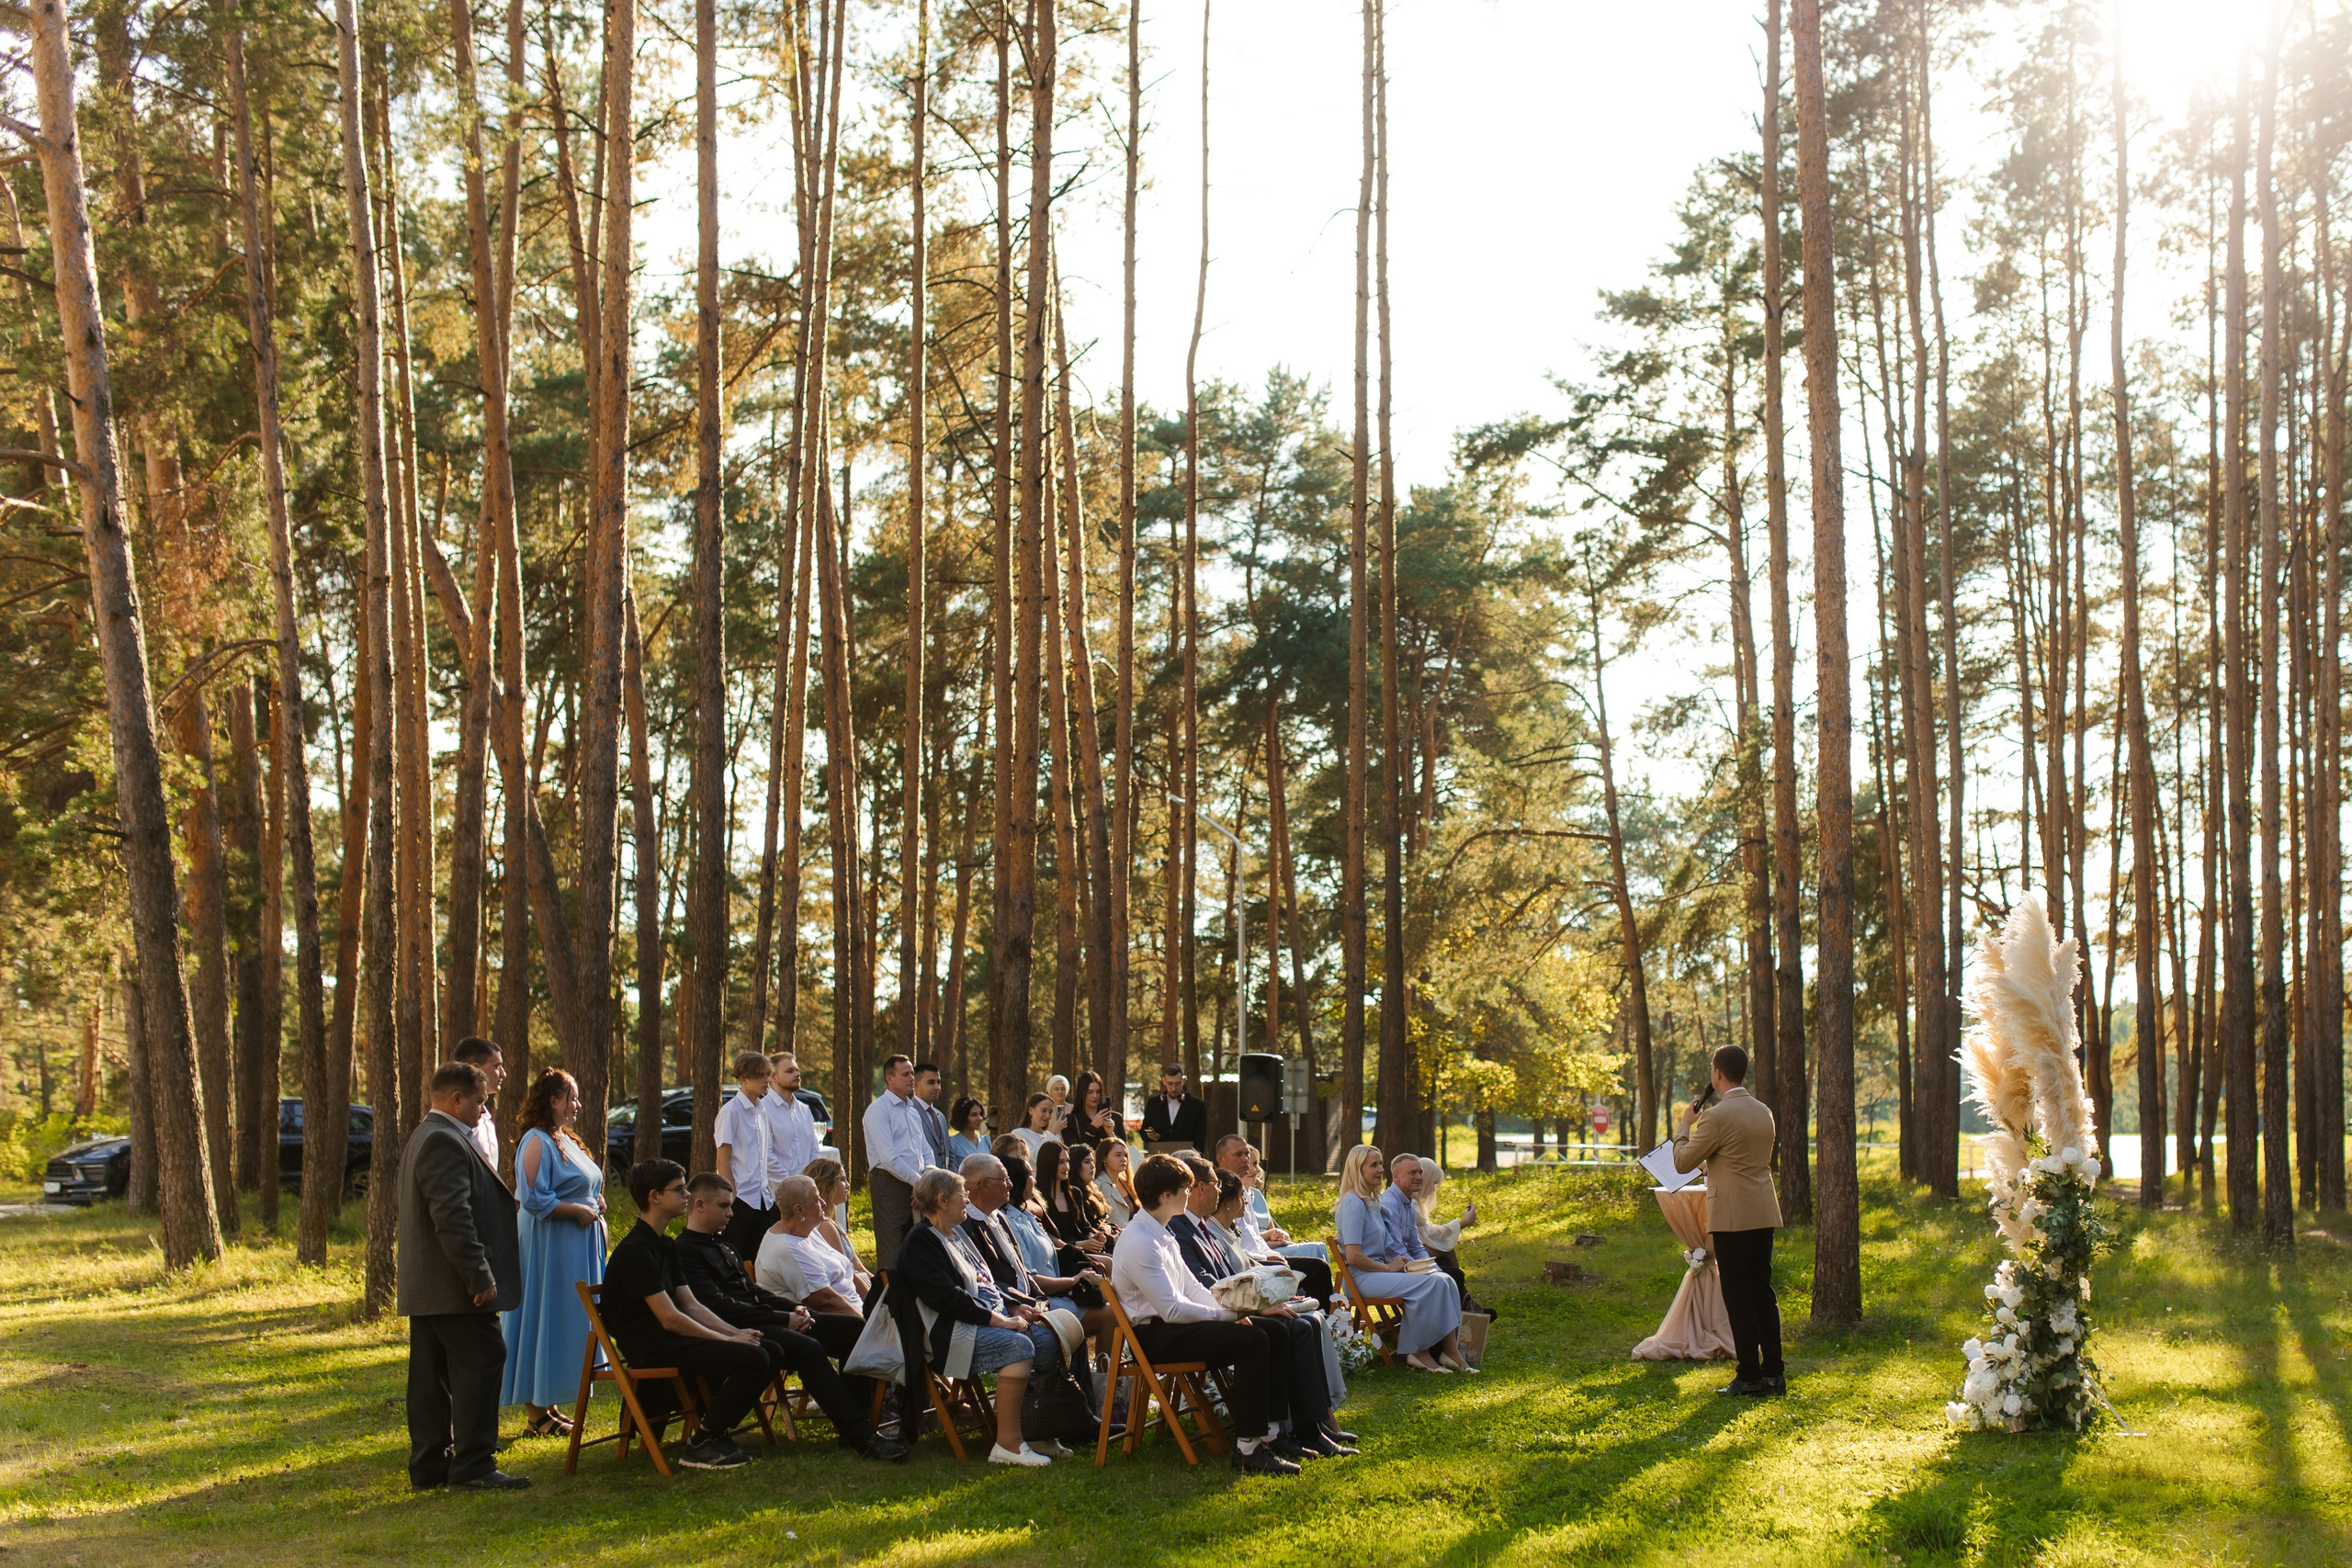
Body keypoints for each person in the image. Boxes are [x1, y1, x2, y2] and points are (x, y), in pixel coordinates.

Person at [673, 1172, 910, 1460]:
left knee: (853, 1329)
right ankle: (860, 1435)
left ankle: (857, 1420)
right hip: (736, 1329)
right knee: (809, 1348)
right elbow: (719, 1307)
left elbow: (754, 1293)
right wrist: (783, 1318)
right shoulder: (684, 1252)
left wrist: (794, 1309)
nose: (731, 1213)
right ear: (699, 1205)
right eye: (724, 1206)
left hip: (763, 1319)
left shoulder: (723, 1246)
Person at [1110, 1154, 1297, 1475]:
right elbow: (1172, 1309)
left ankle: (1272, 1433)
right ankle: (1248, 1449)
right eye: (1185, 1188)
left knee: (1275, 1330)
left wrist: (1235, 1310)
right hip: (1157, 1337)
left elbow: (1194, 1289)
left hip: (1176, 1327)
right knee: (1253, 1340)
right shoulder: (1141, 1241)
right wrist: (1229, 1315)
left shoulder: (1161, 1231)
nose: (1190, 1192)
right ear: (1166, 1195)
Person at [599, 1160, 779, 1471]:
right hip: (652, 1345)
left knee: (770, 1349)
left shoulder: (665, 1245)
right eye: (680, 1189)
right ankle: (703, 1442)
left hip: (671, 1337)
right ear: (654, 1196)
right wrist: (727, 1339)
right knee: (753, 1357)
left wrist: (734, 1333)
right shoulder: (636, 1250)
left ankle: (712, 1431)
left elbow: (691, 1305)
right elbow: (669, 1318)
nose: (687, 1195)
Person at [397, 1061, 524, 1491]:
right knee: (483, 1360)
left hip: (430, 1286)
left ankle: (430, 1465)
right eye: (480, 1103)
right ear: (456, 1099)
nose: (483, 1111)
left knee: (431, 1376)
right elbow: (452, 1217)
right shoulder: (443, 1140)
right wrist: (478, 1274)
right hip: (453, 1286)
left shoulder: (426, 1134)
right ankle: (473, 1465)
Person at [1166, 1160, 1350, 1457]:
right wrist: (1252, 1309)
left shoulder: (1197, 1224)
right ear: (1200, 1189)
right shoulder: (1179, 1228)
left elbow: (1223, 1277)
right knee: (1290, 1328)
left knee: (1303, 1323)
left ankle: (1308, 1426)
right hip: (1203, 1320)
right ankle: (1285, 1432)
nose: (1219, 1190)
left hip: (1225, 1308)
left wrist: (1263, 1301)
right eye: (1215, 1184)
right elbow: (1204, 1285)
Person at [894, 1167, 1064, 1466]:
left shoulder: (955, 1232)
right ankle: (1008, 1445)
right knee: (1019, 1346)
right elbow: (948, 1299)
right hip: (949, 1333)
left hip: (982, 1320)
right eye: (963, 1194)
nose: (968, 1199)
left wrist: (1012, 1308)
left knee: (1048, 1339)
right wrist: (1000, 1321)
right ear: (942, 1201)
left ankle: (1035, 1429)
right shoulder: (921, 1241)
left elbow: (986, 1281)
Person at [1673, 1043, 1785, 1396]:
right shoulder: (1764, 1111)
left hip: (1732, 1217)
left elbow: (1682, 1162)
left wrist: (1684, 1125)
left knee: (1738, 1295)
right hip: (1763, 1210)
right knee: (1762, 1290)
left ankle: (1749, 1374)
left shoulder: (1716, 1117)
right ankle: (1774, 1373)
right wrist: (1715, 1166)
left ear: (1718, 1073)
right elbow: (1743, 1158)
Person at [501, 1068, 606, 1438]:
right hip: (548, 1248)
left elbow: (584, 1184)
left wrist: (596, 1201)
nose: (577, 1105)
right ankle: (536, 1414)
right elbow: (533, 1197)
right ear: (553, 1101)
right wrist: (575, 1210)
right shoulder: (536, 1141)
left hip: (572, 1248)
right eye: (572, 1098)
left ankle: (549, 1404)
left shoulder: (565, 1138)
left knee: (564, 1318)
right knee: (544, 1314)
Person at [956, 1153, 1115, 1348]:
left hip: (1035, 1301)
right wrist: (1068, 1284)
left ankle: (1096, 1367)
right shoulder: (968, 1226)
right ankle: (1103, 1367)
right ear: (985, 1185)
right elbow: (988, 1281)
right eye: (1004, 1180)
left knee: (1095, 1310)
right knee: (1103, 1316)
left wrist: (1040, 1302)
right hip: (1012, 1309)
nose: (1010, 1184)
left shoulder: (1001, 1219)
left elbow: (1023, 1273)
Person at [1337, 1145, 1468, 1373]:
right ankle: (1418, 1352)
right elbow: (1353, 1256)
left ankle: (1450, 1351)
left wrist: (1419, 1265)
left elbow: (1400, 1244)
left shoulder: (1372, 1201)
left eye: (1380, 1164)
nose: (1381, 1170)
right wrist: (1388, 1268)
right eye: (1374, 1165)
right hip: (1361, 1278)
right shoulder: (1353, 1202)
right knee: (1432, 1283)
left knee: (1445, 1279)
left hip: (1377, 1273)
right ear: (1358, 1169)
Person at [1214, 1134, 1334, 1303]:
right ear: (1221, 1159)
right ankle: (1323, 1315)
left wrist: (1270, 1254)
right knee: (1317, 1269)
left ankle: (1324, 1315)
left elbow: (1255, 1238)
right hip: (1249, 1265)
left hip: (1262, 1257)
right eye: (1238, 1154)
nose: (1245, 1159)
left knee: (1317, 1266)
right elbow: (1229, 1244)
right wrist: (1264, 1259)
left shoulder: (1245, 1191)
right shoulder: (1221, 1191)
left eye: (1247, 1154)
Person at [862, 1055, 936, 1269]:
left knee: (916, 1245)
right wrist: (919, 1182)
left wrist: (926, 1180)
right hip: (890, 1185)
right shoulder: (878, 1110)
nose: (912, 1078)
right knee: (892, 1249)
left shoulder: (912, 1111)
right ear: (889, 1078)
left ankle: (913, 1290)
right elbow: (888, 1157)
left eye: (912, 1073)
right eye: (905, 1074)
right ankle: (890, 1291)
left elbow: (926, 1150)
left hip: (917, 1185)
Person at [757, 1174, 865, 1317]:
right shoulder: (787, 1249)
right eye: (817, 1200)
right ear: (799, 1210)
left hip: (856, 1309)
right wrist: (866, 1324)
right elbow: (825, 1302)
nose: (824, 1203)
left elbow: (846, 1271)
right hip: (833, 1320)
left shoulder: (807, 1229)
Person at [1408, 1156, 1492, 1320]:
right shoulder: (1411, 1205)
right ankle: (1464, 1306)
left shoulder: (1414, 1205)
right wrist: (1463, 1223)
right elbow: (1430, 1235)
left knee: (1447, 1260)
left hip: (1414, 1255)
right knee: (1448, 1257)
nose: (1432, 1190)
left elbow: (1430, 1233)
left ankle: (1464, 1305)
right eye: (1432, 1184)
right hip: (1408, 1259)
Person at [714, 1053, 778, 1260]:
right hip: (740, 1198)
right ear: (743, 1079)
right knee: (736, 1258)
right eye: (760, 1075)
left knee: (758, 1259)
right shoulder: (730, 1112)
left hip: (763, 1199)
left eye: (768, 1075)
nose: (766, 1080)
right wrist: (730, 1197)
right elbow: (723, 1158)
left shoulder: (762, 1111)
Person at [799, 1157, 874, 1299]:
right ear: (827, 1184)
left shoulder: (831, 1221)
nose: (848, 1185)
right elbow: (847, 1274)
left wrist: (884, 1285)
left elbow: (859, 1266)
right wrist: (874, 1300)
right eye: (842, 1180)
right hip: (850, 1294)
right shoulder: (825, 1226)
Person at [1035, 1137, 1111, 1263]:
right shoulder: (1038, 1197)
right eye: (1061, 1162)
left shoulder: (1074, 1193)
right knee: (1108, 1263)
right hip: (1060, 1255)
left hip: (1082, 1251)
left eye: (1067, 1162)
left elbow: (1085, 1228)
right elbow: (1047, 1237)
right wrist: (1080, 1244)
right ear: (1049, 1164)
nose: (1066, 1167)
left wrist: (1094, 1238)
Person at [760, 1050, 822, 1179]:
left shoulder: (804, 1110)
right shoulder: (762, 1110)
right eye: (790, 1071)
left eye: (797, 1070)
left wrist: (808, 1180)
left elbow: (814, 1150)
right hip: (777, 1188)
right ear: (773, 1077)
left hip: (806, 1186)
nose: (797, 1074)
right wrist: (791, 1183)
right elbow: (766, 1156)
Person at [452, 1036, 506, 1170]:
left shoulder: (487, 1120)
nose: (503, 1074)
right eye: (497, 1066)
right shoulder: (455, 1121)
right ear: (475, 1069)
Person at [1138, 1064, 1207, 1154]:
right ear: (1164, 1081)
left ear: (1184, 1081)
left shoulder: (1196, 1105)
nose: (1174, 1089)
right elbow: (1143, 1132)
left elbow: (1200, 1138)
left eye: (1178, 1084)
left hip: (1187, 1157)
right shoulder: (1153, 1104)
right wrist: (1150, 1136)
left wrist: (1196, 1157)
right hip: (1160, 1156)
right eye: (1170, 1084)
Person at [1070, 1069, 1125, 1149]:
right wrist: (1092, 1128)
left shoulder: (1116, 1118)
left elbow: (1124, 1151)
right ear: (1082, 1093)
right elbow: (1074, 1153)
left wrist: (1111, 1134)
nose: (1095, 1096)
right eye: (1090, 1092)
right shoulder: (1072, 1121)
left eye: (1098, 1092)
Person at [912, 1061, 954, 1168]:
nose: (937, 1087)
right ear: (915, 1085)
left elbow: (949, 1154)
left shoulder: (941, 1116)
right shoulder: (909, 1113)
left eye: (938, 1082)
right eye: (931, 1083)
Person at [1095, 1137, 1139, 1225]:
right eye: (1118, 1155)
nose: (1124, 1159)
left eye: (1125, 1155)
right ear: (1104, 1158)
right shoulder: (1098, 1186)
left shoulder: (1127, 1183)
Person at [946, 1096, 992, 1166]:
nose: (979, 1118)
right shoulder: (953, 1143)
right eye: (974, 1115)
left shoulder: (986, 1141)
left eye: (980, 1114)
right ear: (962, 1116)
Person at [1011, 1093, 1057, 1159]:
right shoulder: (1018, 1134)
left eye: (1050, 1112)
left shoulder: (1051, 1135)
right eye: (1043, 1110)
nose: (1048, 1116)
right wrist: (1053, 1133)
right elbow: (1032, 1159)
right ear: (1030, 1110)